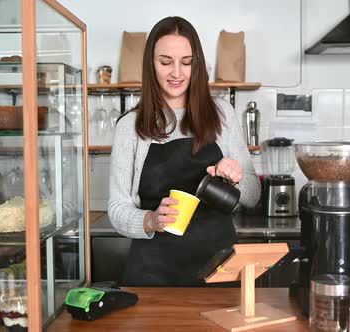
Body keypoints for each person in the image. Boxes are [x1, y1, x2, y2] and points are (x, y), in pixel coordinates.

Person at [108, 16, 260, 287]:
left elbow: (252, 195)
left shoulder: (222, 114)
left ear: (197, 65)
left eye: (186, 62)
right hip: (153, 274)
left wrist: (236, 177)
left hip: (219, 270)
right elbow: (117, 209)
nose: (176, 73)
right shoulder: (129, 126)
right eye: (165, 62)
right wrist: (151, 220)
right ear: (150, 64)